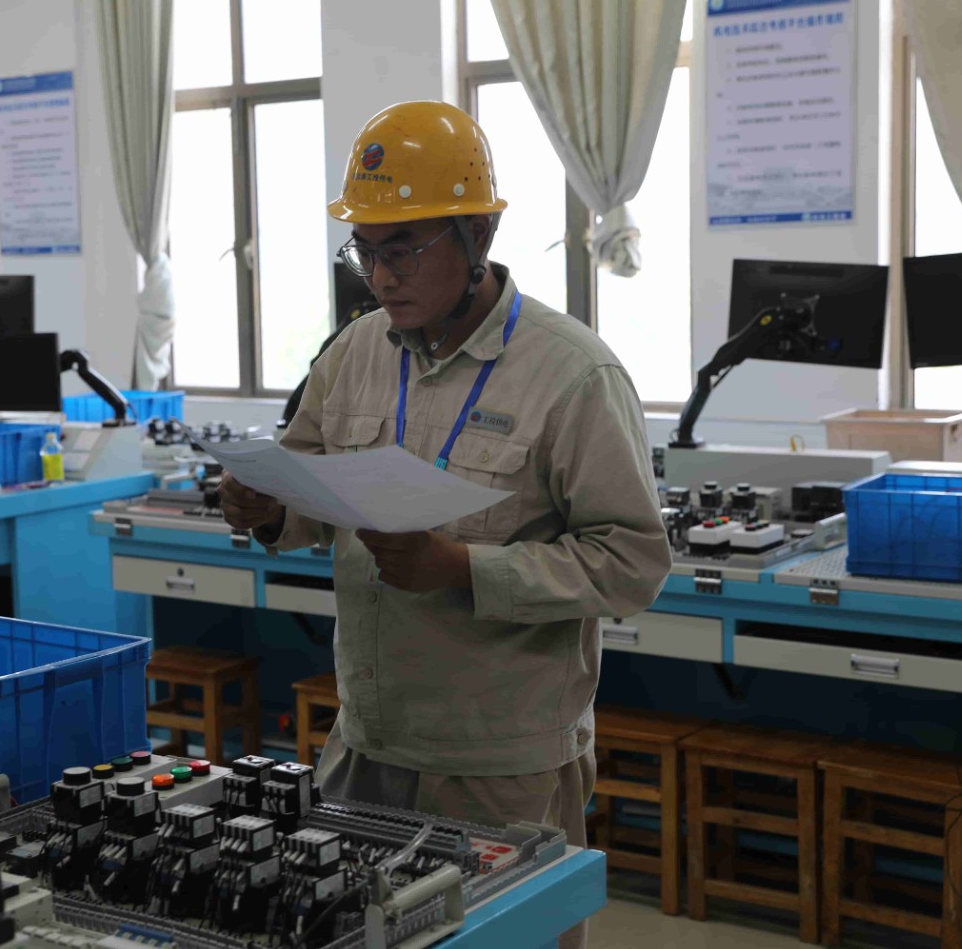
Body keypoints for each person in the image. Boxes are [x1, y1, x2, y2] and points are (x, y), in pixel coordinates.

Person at [221, 101, 671, 949]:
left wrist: (463, 569)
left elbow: (632, 563)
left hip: (498, 764)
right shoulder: (355, 352)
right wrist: (268, 506)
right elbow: (311, 487)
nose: (380, 276)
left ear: (478, 236)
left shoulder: (573, 374)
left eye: (403, 249)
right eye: (364, 250)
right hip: (367, 740)